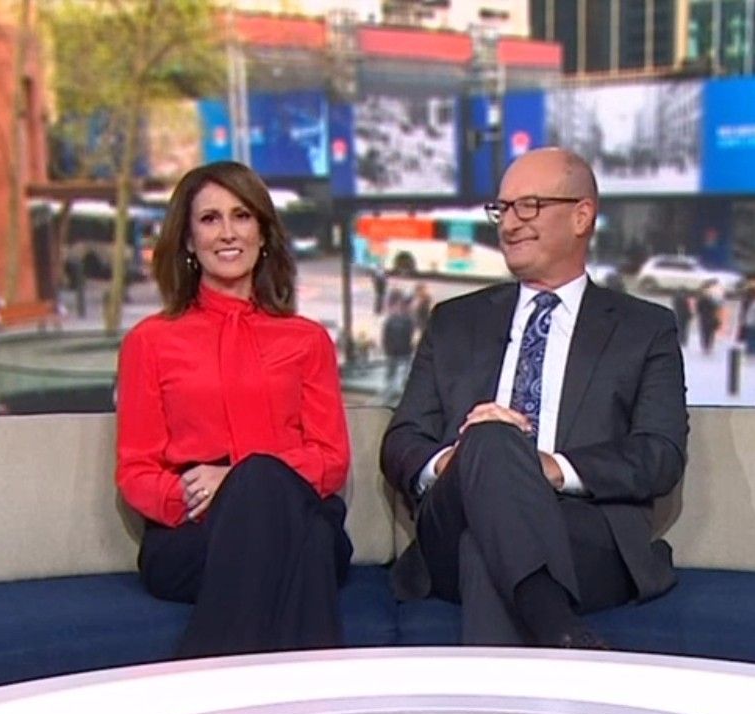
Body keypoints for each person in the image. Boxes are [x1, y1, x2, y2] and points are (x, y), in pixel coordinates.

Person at [379, 147, 688, 647]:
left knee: (483, 550)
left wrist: (551, 467)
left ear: (582, 216)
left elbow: (659, 455)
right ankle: (559, 630)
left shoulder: (644, 328)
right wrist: (460, 460)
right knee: (490, 438)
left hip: (582, 532)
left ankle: (543, 630)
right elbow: (402, 441)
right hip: (451, 519)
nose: (509, 223)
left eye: (529, 206)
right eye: (502, 208)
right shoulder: (454, 321)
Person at [115, 161, 352, 657]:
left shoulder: (307, 340)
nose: (227, 232)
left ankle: (205, 682)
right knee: (307, 543)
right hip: (192, 536)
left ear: (262, 234)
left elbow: (331, 460)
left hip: (295, 510)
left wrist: (236, 483)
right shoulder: (150, 342)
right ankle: (315, 697)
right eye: (210, 219)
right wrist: (204, 501)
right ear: (188, 239)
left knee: (269, 487)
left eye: (242, 216)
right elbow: (136, 472)